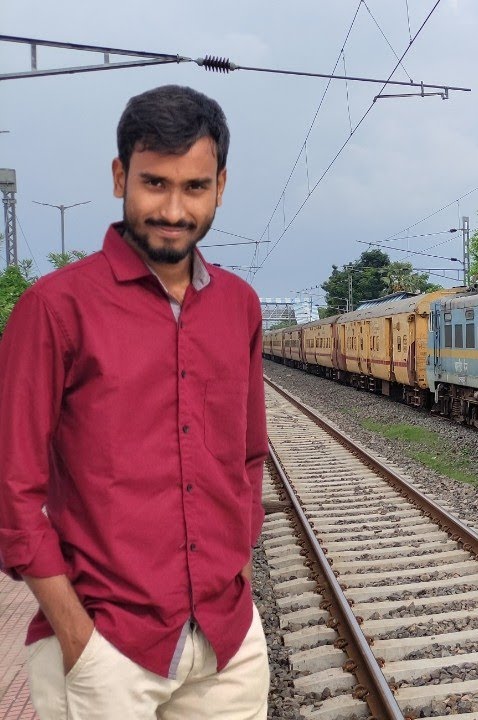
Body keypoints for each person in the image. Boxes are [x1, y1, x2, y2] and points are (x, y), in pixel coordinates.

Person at [0, 85, 269, 719]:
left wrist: (243, 581)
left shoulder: (239, 307)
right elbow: (12, 491)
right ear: (121, 176)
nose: (173, 209)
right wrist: (76, 637)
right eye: (155, 184)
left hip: (228, 646)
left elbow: (249, 458)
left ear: (220, 186)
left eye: (195, 188)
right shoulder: (55, 309)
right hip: (107, 648)